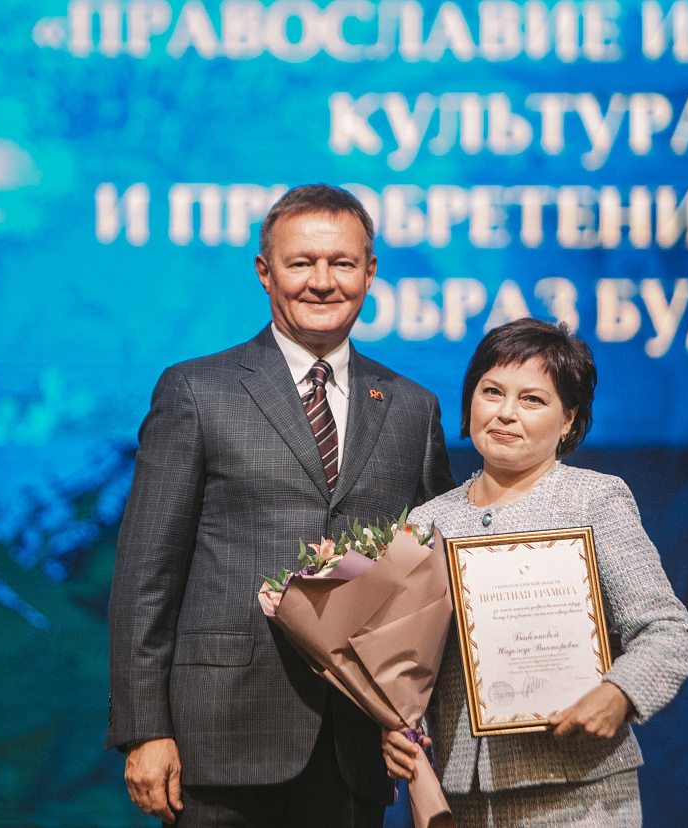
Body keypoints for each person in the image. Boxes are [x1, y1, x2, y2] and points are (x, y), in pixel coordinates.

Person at [106, 184, 455, 828]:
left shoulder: (412, 406)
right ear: (265, 272)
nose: (322, 281)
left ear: (370, 272)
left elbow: (432, 581)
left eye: (342, 263)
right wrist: (144, 728)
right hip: (221, 739)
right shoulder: (196, 390)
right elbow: (145, 576)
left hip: (358, 745)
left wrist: (419, 715)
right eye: (301, 263)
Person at [383, 318, 688, 827]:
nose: (506, 412)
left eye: (532, 399)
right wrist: (401, 729)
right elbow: (411, 666)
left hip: (581, 793)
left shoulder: (594, 500)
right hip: (464, 798)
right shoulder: (427, 522)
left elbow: (667, 630)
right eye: (491, 392)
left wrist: (619, 694)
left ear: (568, 419)